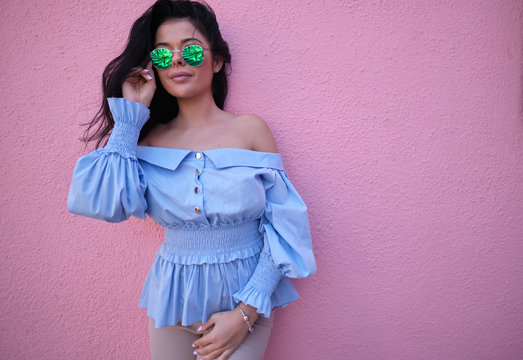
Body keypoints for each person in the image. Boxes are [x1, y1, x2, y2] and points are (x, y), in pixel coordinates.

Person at [66, 1, 316, 359]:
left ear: (216, 62)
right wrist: (129, 118)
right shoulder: (144, 141)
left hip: (245, 301)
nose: (178, 60)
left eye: (192, 50)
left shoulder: (251, 131)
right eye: (164, 56)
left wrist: (246, 312)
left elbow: (284, 225)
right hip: (171, 301)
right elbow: (101, 203)